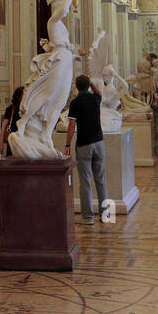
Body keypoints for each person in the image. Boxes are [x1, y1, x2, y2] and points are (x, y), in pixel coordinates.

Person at [64, 73, 108, 224]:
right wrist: (92, 84)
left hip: (84, 144)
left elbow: (71, 125)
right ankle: (105, 214)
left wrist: (68, 144)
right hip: (99, 142)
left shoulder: (75, 103)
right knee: (101, 180)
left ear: (76, 87)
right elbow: (99, 92)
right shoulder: (95, 99)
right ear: (88, 85)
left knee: (85, 181)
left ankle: (88, 217)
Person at [0, 85, 23, 156]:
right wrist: (1, 143)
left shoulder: (27, 109)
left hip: (24, 139)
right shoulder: (11, 109)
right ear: (19, 97)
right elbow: (4, 126)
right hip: (12, 139)